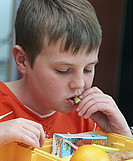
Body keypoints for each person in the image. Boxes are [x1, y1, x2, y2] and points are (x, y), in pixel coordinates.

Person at [0, 0, 132, 148]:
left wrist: (122, 134)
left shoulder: (89, 117)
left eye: (88, 69)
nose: (80, 83)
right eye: (63, 70)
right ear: (23, 61)